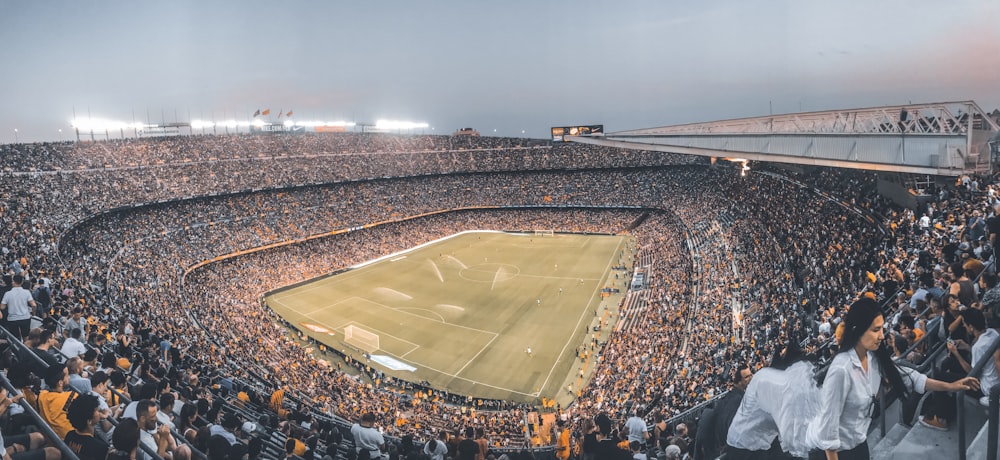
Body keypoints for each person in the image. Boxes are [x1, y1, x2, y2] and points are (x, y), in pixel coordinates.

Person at [726, 298, 980, 460]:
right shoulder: (840, 369)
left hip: (857, 445)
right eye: (876, 330)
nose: (882, 336)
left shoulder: (875, 359)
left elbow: (910, 377)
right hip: (830, 453)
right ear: (859, 330)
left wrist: (951, 385)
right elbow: (828, 433)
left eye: (882, 328)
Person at [64, 393, 110, 460]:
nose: (99, 412)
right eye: (97, 410)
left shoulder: (69, 435)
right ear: (89, 421)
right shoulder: (100, 447)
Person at [1, 275, 36, 340]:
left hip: (12, 319)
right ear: (22, 282)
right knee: (26, 337)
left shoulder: (7, 294)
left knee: (15, 338)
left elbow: (2, 307)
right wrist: (33, 313)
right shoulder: (26, 292)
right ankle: (26, 349)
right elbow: (34, 305)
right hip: (25, 317)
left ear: (13, 282)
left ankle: (17, 349)